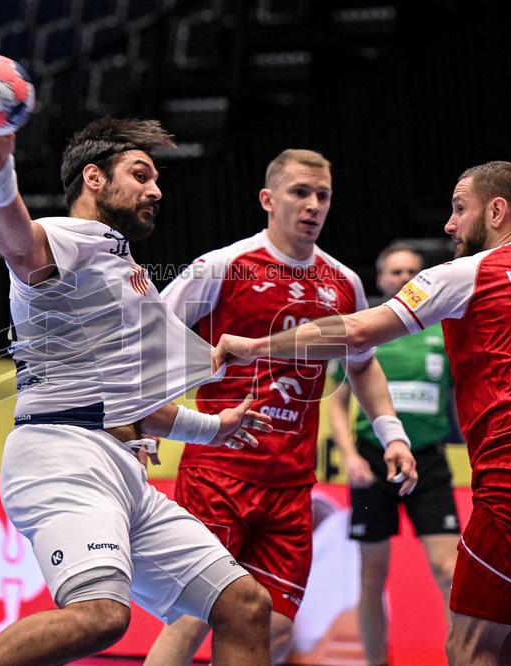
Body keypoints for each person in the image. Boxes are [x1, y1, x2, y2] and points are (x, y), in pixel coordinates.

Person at [213, 161, 511, 665]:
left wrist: (256, 346)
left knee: (468, 649)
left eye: (459, 209)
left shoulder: (468, 273)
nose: (449, 225)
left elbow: (356, 332)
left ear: (496, 210)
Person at [0, 118, 276, 666]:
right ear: (94, 179)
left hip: (124, 471)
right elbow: (15, 241)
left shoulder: (124, 266)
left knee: (245, 604)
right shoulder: (67, 238)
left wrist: (216, 428)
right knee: (101, 615)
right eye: (140, 174)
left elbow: (137, 405)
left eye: (156, 178)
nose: (156, 190)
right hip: (63, 456)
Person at [146, 150, 416, 665]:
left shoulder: (344, 284)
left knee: (274, 632)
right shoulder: (221, 267)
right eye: (300, 192)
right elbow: (153, 340)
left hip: (291, 486)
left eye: (323, 195)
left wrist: (392, 434)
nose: (313, 205)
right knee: (191, 617)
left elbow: (361, 365)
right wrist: (147, 427)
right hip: (218, 474)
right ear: (268, 199)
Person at [327, 243, 459, 666]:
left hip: (429, 463)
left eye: (412, 272)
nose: (403, 278)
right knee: (371, 576)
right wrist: (349, 455)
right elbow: (336, 400)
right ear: (381, 279)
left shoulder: (445, 332)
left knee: (451, 573)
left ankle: (464, 657)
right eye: (395, 272)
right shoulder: (366, 329)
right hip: (372, 461)